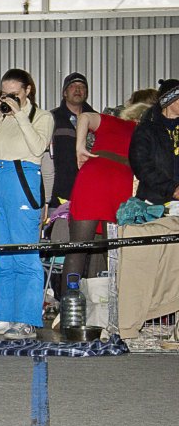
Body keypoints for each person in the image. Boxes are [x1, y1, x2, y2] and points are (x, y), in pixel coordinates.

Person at [0, 68, 54, 340]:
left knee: (25, 253)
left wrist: (20, 114)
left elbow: (37, 147)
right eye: (4, 93)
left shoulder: (41, 117)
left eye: (14, 94)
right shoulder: (0, 118)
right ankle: (3, 315)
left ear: (27, 90)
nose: (8, 98)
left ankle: (27, 319)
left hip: (23, 179)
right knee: (1, 254)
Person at [62, 102, 148, 295]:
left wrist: (80, 148)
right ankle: (116, 313)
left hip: (92, 179)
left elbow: (84, 117)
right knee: (115, 255)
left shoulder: (111, 121)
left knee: (77, 249)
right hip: (119, 185)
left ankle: (67, 313)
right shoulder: (146, 134)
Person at [48, 72, 96, 207]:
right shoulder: (51, 118)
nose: (78, 89)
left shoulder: (98, 120)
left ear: (86, 93)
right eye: (73, 86)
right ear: (64, 93)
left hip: (90, 189)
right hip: (59, 191)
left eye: (82, 87)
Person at [129, 78, 179, 206]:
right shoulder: (146, 129)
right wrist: (172, 188)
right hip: (154, 202)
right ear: (169, 101)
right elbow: (141, 166)